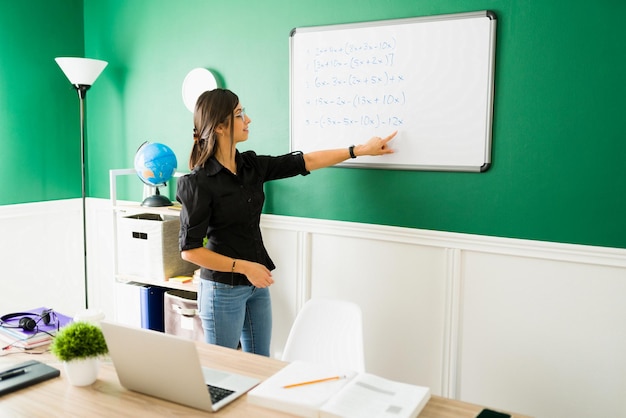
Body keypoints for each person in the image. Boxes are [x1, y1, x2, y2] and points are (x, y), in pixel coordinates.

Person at [176, 88, 396, 356]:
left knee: (261, 363)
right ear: (220, 126)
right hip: (223, 290)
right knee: (224, 370)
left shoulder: (250, 166)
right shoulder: (198, 183)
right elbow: (190, 250)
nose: (248, 120)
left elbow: (305, 161)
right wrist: (244, 267)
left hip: (256, 284)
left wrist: (359, 150)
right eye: (239, 114)